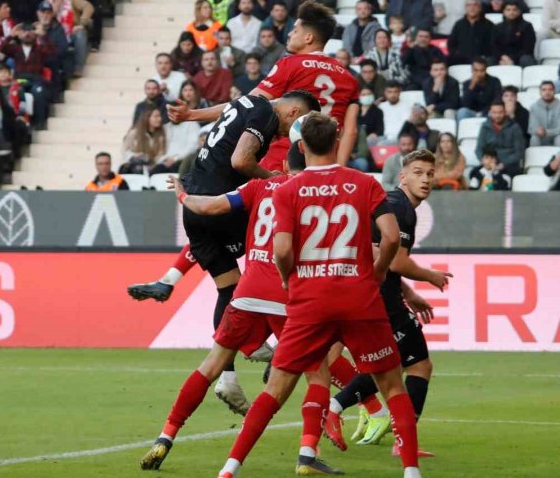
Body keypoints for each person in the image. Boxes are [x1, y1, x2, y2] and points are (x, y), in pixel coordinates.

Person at [215, 114, 422, 478]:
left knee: (276, 389)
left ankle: (230, 468)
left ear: (300, 146)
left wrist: (287, 280)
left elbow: (281, 250)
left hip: (310, 301)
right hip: (360, 298)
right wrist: (375, 275)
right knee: (391, 385)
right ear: (338, 138)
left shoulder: (286, 189)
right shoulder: (364, 183)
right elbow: (390, 238)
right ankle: (411, 472)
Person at [131, 91, 317, 415]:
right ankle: (259, 344)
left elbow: (225, 110)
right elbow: (241, 161)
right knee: (273, 239)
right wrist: (271, 176)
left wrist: (192, 116)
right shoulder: (267, 115)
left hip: (196, 210)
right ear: (294, 112)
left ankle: (228, 377)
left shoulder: (250, 101)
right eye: (294, 128)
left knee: (230, 289)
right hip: (217, 206)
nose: (287, 137)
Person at [326, 149, 447, 456]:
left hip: (373, 292)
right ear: (402, 176)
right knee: (404, 364)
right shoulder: (399, 207)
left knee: (402, 363)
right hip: (377, 298)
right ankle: (336, 408)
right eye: (418, 173)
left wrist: (408, 292)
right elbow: (396, 262)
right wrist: (429, 276)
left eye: (430, 174)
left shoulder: (396, 204)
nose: (426, 179)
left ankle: (399, 439)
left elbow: (381, 256)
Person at [168, 2, 361, 170]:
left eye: (295, 30)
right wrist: (339, 168)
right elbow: (350, 131)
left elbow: (244, 106)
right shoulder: (348, 77)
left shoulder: (290, 64)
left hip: (285, 161)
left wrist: (192, 114)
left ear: (308, 38)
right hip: (327, 162)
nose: (290, 34)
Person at [475, 101, 525, 176]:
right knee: (474, 173)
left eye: (500, 112)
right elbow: (479, 149)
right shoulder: (485, 127)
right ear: (490, 113)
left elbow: (519, 152)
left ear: (505, 112)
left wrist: (503, 164)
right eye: (494, 113)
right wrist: (485, 162)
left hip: (509, 165)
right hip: (489, 162)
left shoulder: (515, 127)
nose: (497, 115)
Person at [447, 0, 494, 66]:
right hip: (461, 60)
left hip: (482, 61)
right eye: (469, 5)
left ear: (480, 8)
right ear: (465, 8)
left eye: (475, 5)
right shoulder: (459, 24)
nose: (472, 8)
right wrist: (457, 54)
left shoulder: (489, 25)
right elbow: (451, 44)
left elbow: (493, 45)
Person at [121, 108, 167, 175]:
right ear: (147, 118)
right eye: (156, 116)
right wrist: (134, 156)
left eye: (160, 116)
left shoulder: (161, 135)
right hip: (134, 168)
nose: (159, 119)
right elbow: (124, 150)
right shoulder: (134, 133)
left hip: (152, 170)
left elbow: (161, 155)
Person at [490, 0, 536, 66]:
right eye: (508, 10)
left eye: (514, 10)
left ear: (519, 11)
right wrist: (503, 57)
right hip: (501, 58)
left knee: (526, 59)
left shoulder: (527, 26)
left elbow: (528, 48)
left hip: (520, 57)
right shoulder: (497, 27)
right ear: (504, 11)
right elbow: (493, 46)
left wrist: (511, 59)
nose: (511, 12)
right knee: (488, 61)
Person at [528, 80, 560, 147]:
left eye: (550, 90)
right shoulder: (534, 107)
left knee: (559, 138)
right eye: (544, 90)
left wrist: (546, 132)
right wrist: (537, 131)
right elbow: (531, 129)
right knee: (534, 138)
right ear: (540, 92)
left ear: (554, 91)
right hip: (540, 138)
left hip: (556, 137)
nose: (547, 92)